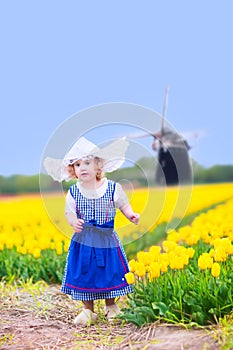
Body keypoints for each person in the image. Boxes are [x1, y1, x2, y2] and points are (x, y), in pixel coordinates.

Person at [44, 136, 140, 325]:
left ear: (98, 166)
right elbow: (68, 211)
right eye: (78, 165)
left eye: (87, 163)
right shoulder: (73, 192)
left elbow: (123, 204)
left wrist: (131, 214)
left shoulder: (113, 188)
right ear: (73, 170)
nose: (83, 168)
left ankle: (111, 305)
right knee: (85, 272)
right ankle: (88, 310)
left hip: (106, 239)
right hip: (84, 240)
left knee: (110, 271)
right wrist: (73, 222)